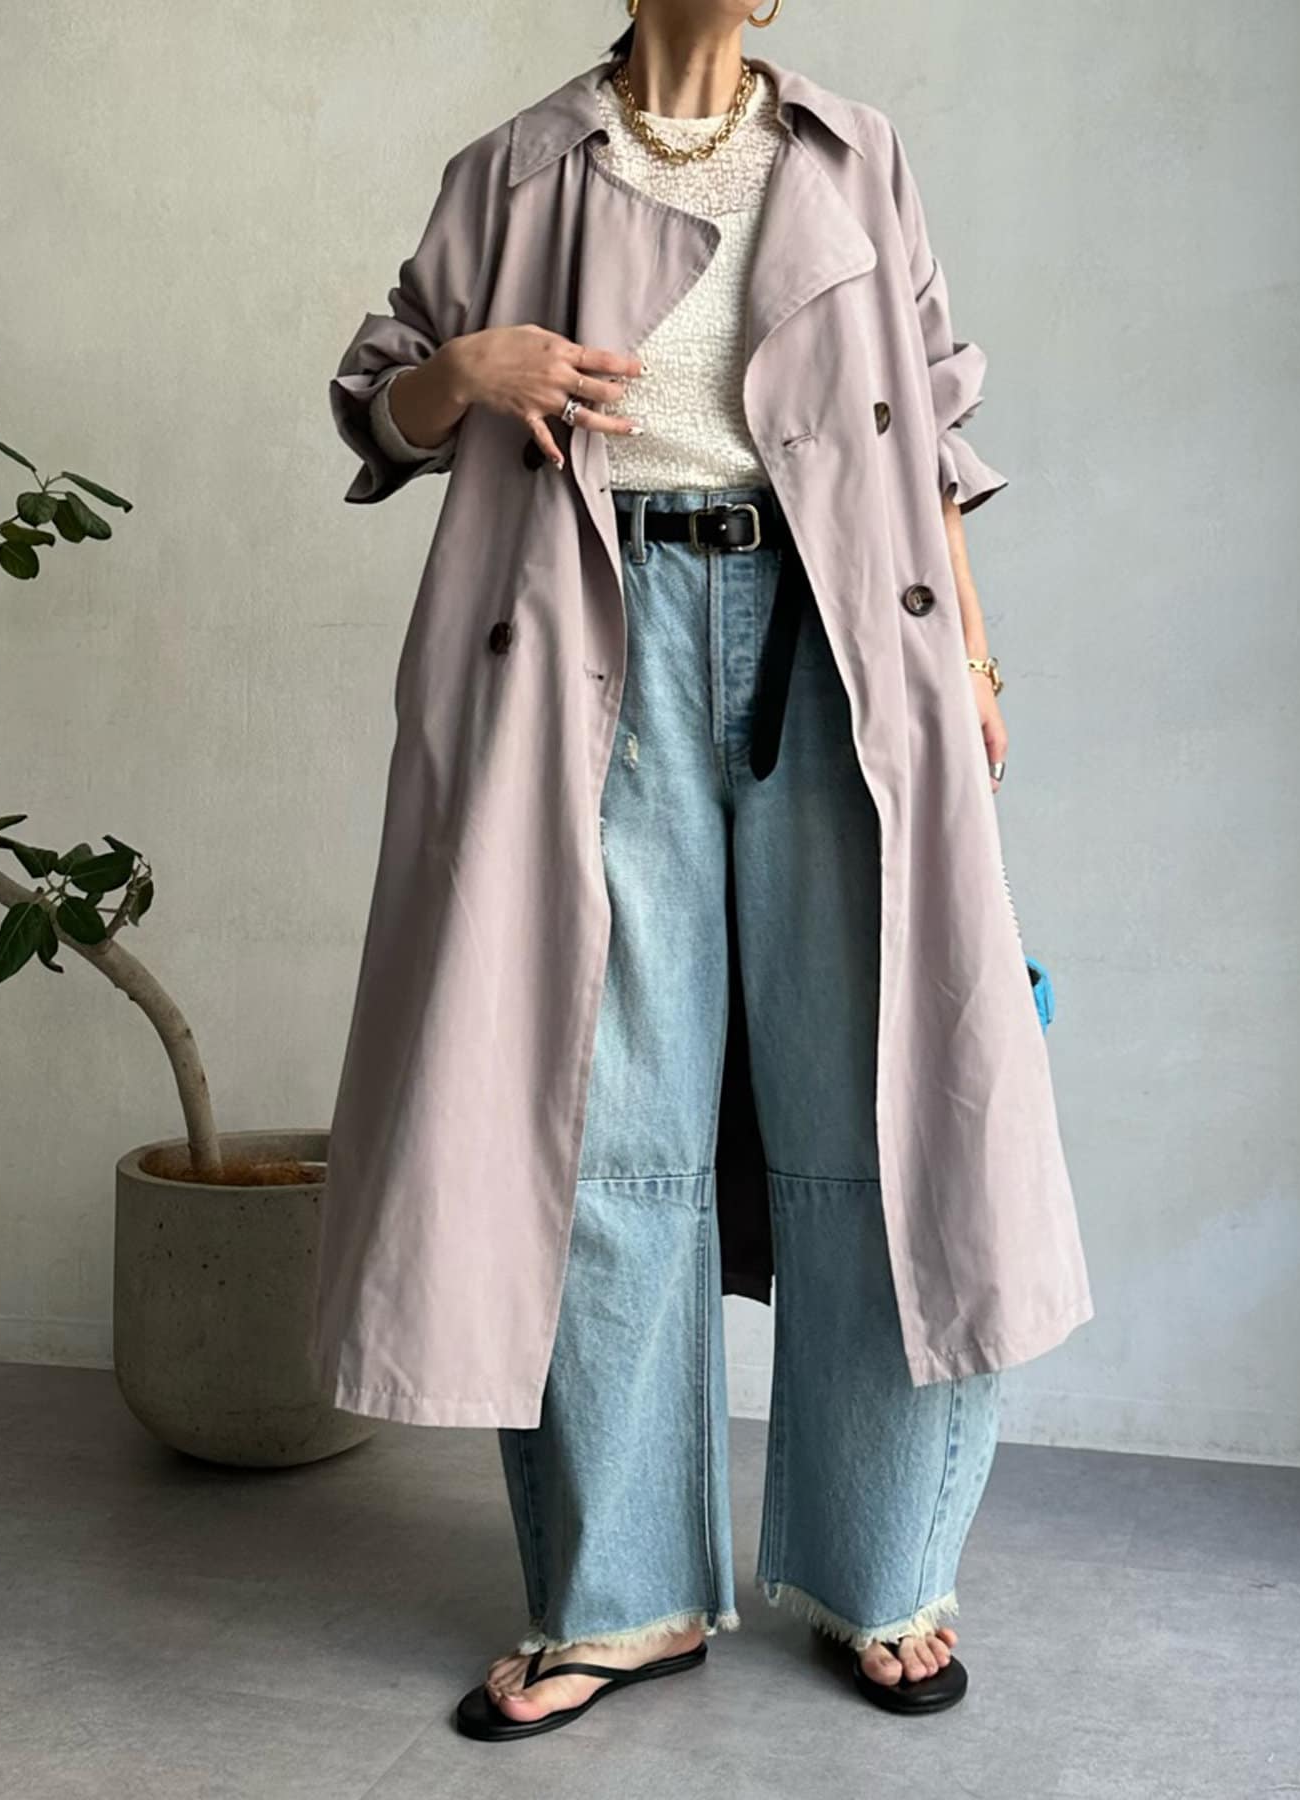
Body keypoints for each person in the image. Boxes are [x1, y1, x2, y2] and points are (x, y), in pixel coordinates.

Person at [323, 0, 1093, 1743]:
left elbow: (929, 434)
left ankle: (889, 1575)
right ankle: (619, 1598)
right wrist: (474, 372)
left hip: (841, 643)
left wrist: (972, 658)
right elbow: (382, 405)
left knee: (885, 1102)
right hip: (589, 641)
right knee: (599, 1115)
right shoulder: (516, 167)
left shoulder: (854, 154)